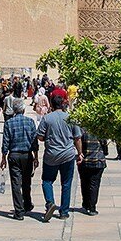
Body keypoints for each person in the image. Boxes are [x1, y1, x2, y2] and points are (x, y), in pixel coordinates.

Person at [37, 93, 82, 221]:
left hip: (51, 155)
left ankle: (50, 202)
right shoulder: (70, 118)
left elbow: (39, 137)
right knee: (66, 183)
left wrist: (48, 137)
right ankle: (64, 212)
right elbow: (77, 138)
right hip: (67, 154)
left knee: (47, 181)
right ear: (63, 105)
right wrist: (80, 153)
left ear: (51, 104)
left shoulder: (47, 118)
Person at [0, 99, 39, 220]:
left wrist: (3, 158)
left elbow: (5, 142)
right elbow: (34, 141)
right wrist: (36, 157)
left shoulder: (9, 123)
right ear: (23, 109)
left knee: (16, 183)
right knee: (27, 181)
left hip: (14, 155)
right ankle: (27, 203)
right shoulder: (30, 122)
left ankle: (19, 210)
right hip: (27, 155)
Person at [77, 128, 107, 216]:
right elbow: (104, 144)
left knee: (84, 183)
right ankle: (92, 207)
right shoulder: (100, 131)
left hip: (85, 161)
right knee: (94, 184)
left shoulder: (81, 130)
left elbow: (77, 142)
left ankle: (86, 204)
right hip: (98, 161)